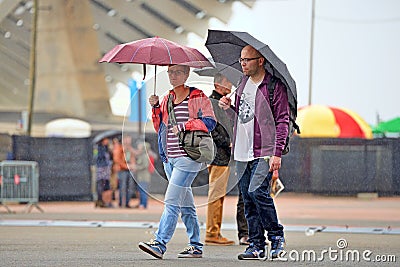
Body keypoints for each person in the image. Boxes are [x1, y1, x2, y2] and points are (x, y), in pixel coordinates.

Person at [138, 64, 216, 259]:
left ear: (187, 74)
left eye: (178, 72)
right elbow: (159, 127)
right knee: (186, 205)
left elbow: (210, 122)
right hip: (169, 158)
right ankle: (196, 245)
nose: (173, 75)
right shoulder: (167, 98)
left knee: (171, 201)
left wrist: (185, 125)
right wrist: (156, 108)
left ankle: (159, 243)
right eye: (171, 72)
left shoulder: (197, 96)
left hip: (189, 157)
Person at [219, 45, 289, 260]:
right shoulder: (241, 84)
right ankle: (256, 244)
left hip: (264, 150)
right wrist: (229, 107)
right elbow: (242, 118)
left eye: (247, 60)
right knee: (247, 199)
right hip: (241, 151)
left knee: (258, 193)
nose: (243, 64)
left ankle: (276, 236)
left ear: (260, 61)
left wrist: (277, 152)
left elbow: (282, 121)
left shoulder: (274, 87)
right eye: (241, 60)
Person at [204, 73, 235, 245]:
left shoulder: (219, 104)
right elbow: (212, 129)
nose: (230, 86)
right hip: (219, 155)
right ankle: (212, 232)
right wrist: (228, 142)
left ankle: (214, 231)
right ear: (218, 84)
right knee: (216, 195)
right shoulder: (212, 103)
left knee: (218, 194)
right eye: (228, 82)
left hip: (220, 154)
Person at [113, 135, 136, 208]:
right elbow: (117, 160)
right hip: (122, 169)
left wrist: (132, 165)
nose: (128, 141)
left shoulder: (130, 149)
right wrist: (126, 166)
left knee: (129, 187)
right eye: (127, 140)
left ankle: (127, 203)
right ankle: (120, 203)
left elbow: (133, 157)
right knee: (122, 187)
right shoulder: (119, 148)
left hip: (129, 170)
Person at [132, 142, 151, 209]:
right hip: (140, 177)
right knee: (140, 191)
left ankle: (143, 204)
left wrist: (136, 167)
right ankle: (141, 203)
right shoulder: (141, 155)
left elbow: (145, 165)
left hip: (144, 177)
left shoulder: (145, 156)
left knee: (143, 191)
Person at [95, 138, 113, 208]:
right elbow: (98, 158)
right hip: (101, 169)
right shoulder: (99, 148)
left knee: (106, 185)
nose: (107, 141)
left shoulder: (106, 148)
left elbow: (110, 158)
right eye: (106, 140)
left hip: (107, 170)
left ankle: (106, 201)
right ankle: (100, 200)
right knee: (100, 185)